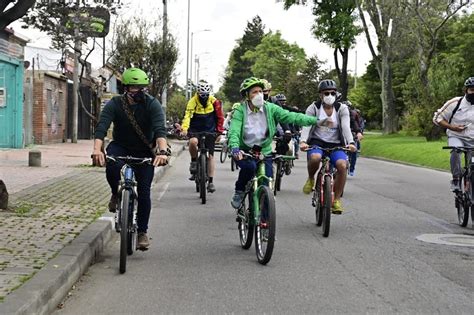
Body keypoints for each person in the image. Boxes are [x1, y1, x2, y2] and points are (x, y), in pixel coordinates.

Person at [91, 67, 169, 250]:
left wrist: (162, 152)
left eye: (141, 87)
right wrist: (97, 150)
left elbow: (160, 130)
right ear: (125, 88)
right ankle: (114, 193)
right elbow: (102, 127)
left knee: (144, 192)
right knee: (111, 167)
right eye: (134, 87)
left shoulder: (152, 104)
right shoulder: (115, 104)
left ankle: (142, 232)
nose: (138, 91)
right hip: (121, 146)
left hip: (144, 151)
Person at [228, 77, 318, 209]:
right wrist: (235, 148)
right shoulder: (240, 111)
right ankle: (239, 191)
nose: (259, 94)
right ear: (246, 95)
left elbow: (291, 116)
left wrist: (315, 120)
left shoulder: (270, 108)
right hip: (244, 151)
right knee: (250, 168)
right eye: (254, 92)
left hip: (264, 151)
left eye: (260, 91)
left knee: (267, 181)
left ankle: (265, 220)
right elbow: (234, 131)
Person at [299, 79, 357, 214]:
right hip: (317, 142)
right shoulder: (313, 108)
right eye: (326, 93)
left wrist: (351, 142)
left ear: (336, 94)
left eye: (332, 93)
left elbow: (345, 127)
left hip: (336, 144)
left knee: (342, 165)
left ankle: (336, 200)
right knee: (315, 158)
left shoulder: (342, 109)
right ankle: (311, 178)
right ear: (320, 95)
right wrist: (303, 141)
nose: (329, 95)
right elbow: (307, 125)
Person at [181, 81, 225, 193]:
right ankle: (194, 161)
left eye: (206, 94)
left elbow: (220, 117)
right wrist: (185, 129)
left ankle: (210, 182)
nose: (204, 97)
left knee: (210, 156)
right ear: (198, 93)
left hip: (210, 130)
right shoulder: (192, 102)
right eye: (202, 95)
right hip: (195, 129)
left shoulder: (215, 102)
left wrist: (219, 132)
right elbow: (187, 116)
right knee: (192, 142)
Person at [433, 76, 474, 191]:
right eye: (471, 90)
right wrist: (452, 127)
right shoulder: (455, 103)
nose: (473, 92)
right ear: (466, 90)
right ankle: (456, 179)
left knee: (473, 163)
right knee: (455, 151)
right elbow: (437, 118)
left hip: (473, 140)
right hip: (457, 137)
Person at [345, 101, 364, 176]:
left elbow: (356, 124)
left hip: (352, 132)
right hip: (341, 134)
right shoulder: (337, 113)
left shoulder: (353, 114)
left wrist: (359, 132)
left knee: (354, 151)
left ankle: (352, 168)